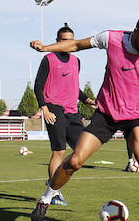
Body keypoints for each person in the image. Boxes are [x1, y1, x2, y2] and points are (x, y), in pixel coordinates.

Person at [29, 13, 139, 221]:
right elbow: (76, 44)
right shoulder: (111, 39)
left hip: (135, 116)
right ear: (135, 32)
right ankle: (46, 199)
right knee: (75, 160)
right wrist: (46, 48)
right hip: (106, 114)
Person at [33, 22, 96, 206]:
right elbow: (38, 86)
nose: (68, 44)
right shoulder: (48, 59)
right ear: (57, 41)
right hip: (54, 109)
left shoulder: (77, 61)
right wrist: (44, 109)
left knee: (81, 152)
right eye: (64, 40)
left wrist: (87, 100)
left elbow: (74, 87)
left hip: (73, 112)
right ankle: (54, 192)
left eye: (71, 40)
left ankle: (53, 181)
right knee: (59, 151)